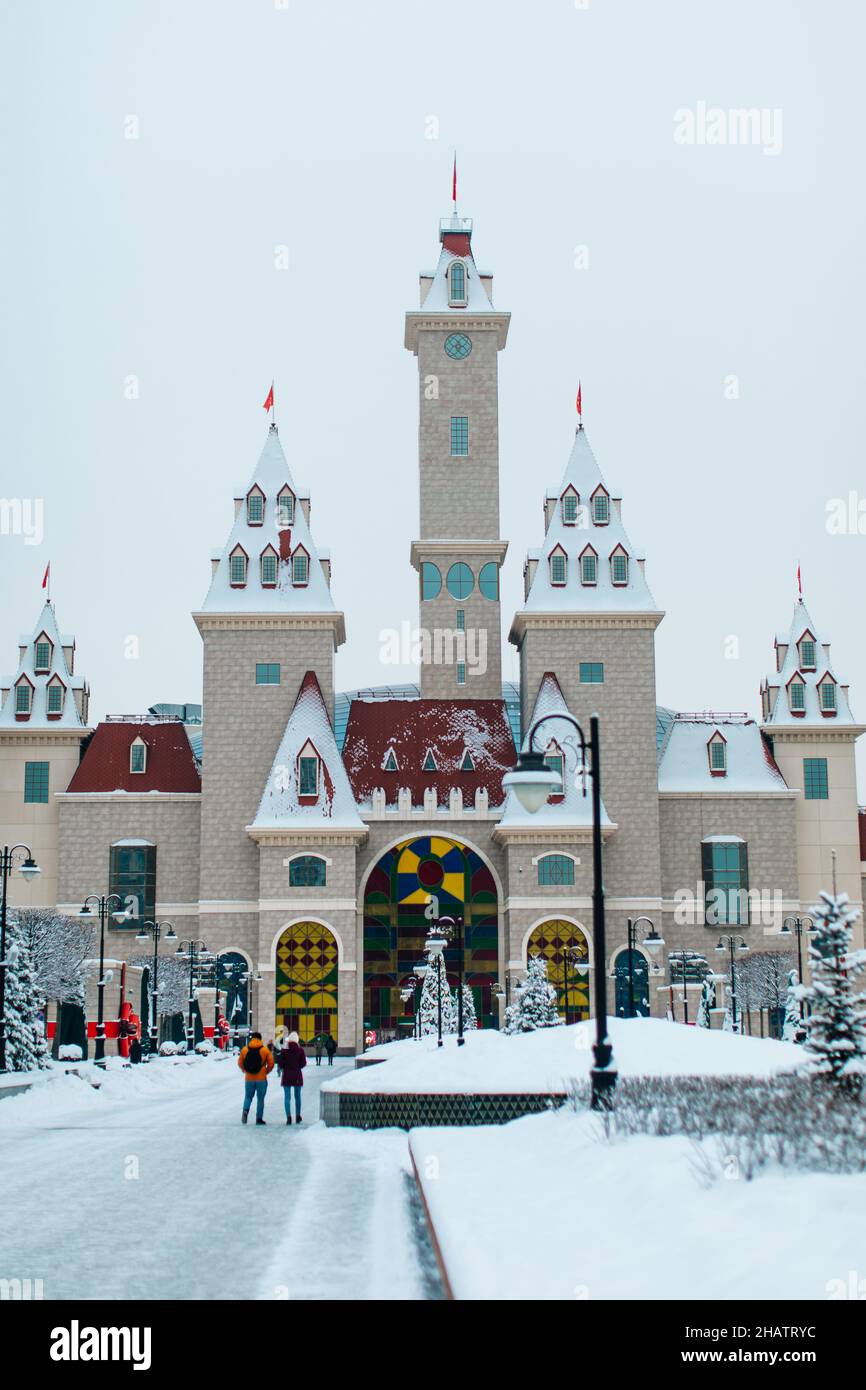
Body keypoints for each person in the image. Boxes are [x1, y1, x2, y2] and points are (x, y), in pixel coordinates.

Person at [237, 1031, 274, 1125]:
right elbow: (271, 1063)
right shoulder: (265, 1050)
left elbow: (240, 1063)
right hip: (261, 1078)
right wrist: (266, 1071)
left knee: (248, 1097)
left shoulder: (245, 1050)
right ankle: (259, 1118)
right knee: (260, 1099)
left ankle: (245, 1113)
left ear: (252, 1038)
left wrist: (245, 1070)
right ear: (260, 1039)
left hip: (249, 1078)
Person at [277, 1030, 307, 1124]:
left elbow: (280, 1064)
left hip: (286, 1076)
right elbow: (303, 1063)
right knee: (297, 1096)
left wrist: (285, 1067)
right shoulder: (300, 1050)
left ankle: (288, 1117)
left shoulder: (284, 1050)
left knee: (287, 1097)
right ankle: (298, 1116)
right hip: (297, 1075)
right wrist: (297, 1067)